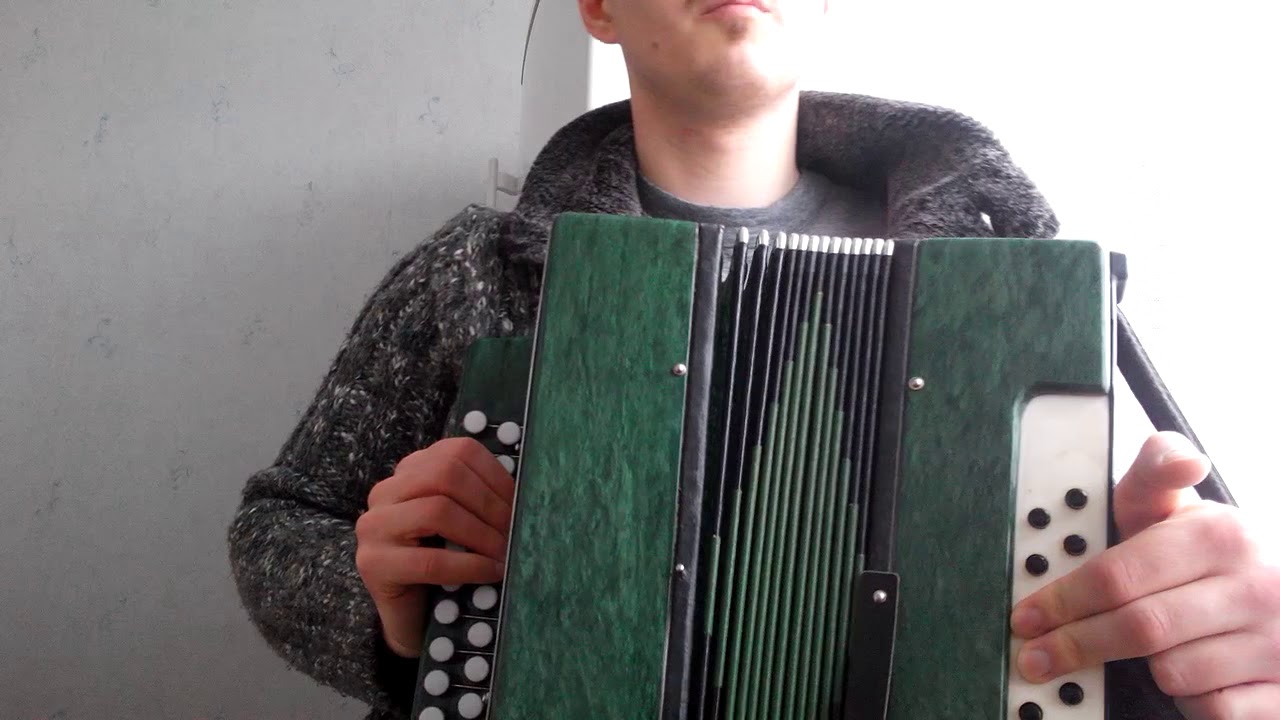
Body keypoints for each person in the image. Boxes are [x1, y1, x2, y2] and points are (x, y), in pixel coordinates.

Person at [226, 2, 1280, 719]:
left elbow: (1130, 611)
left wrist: (1190, 660)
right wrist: (389, 604)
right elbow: (278, 526)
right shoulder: (475, 268)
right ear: (598, 8)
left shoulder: (1022, 280)